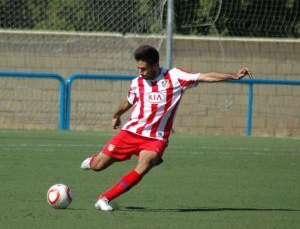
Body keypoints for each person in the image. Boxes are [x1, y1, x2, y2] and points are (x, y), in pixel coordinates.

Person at [81, 45, 252, 211]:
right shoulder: (137, 83)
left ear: (155, 65)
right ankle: (93, 161)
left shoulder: (175, 76)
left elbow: (205, 76)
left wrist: (233, 76)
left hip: (156, 138)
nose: (140, 72)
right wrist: (116, 115)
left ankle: (104, 199)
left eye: (144, 68)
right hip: (131, 132)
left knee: (145, 164)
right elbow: (128, 102)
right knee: (98, 166)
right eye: (138, 68)